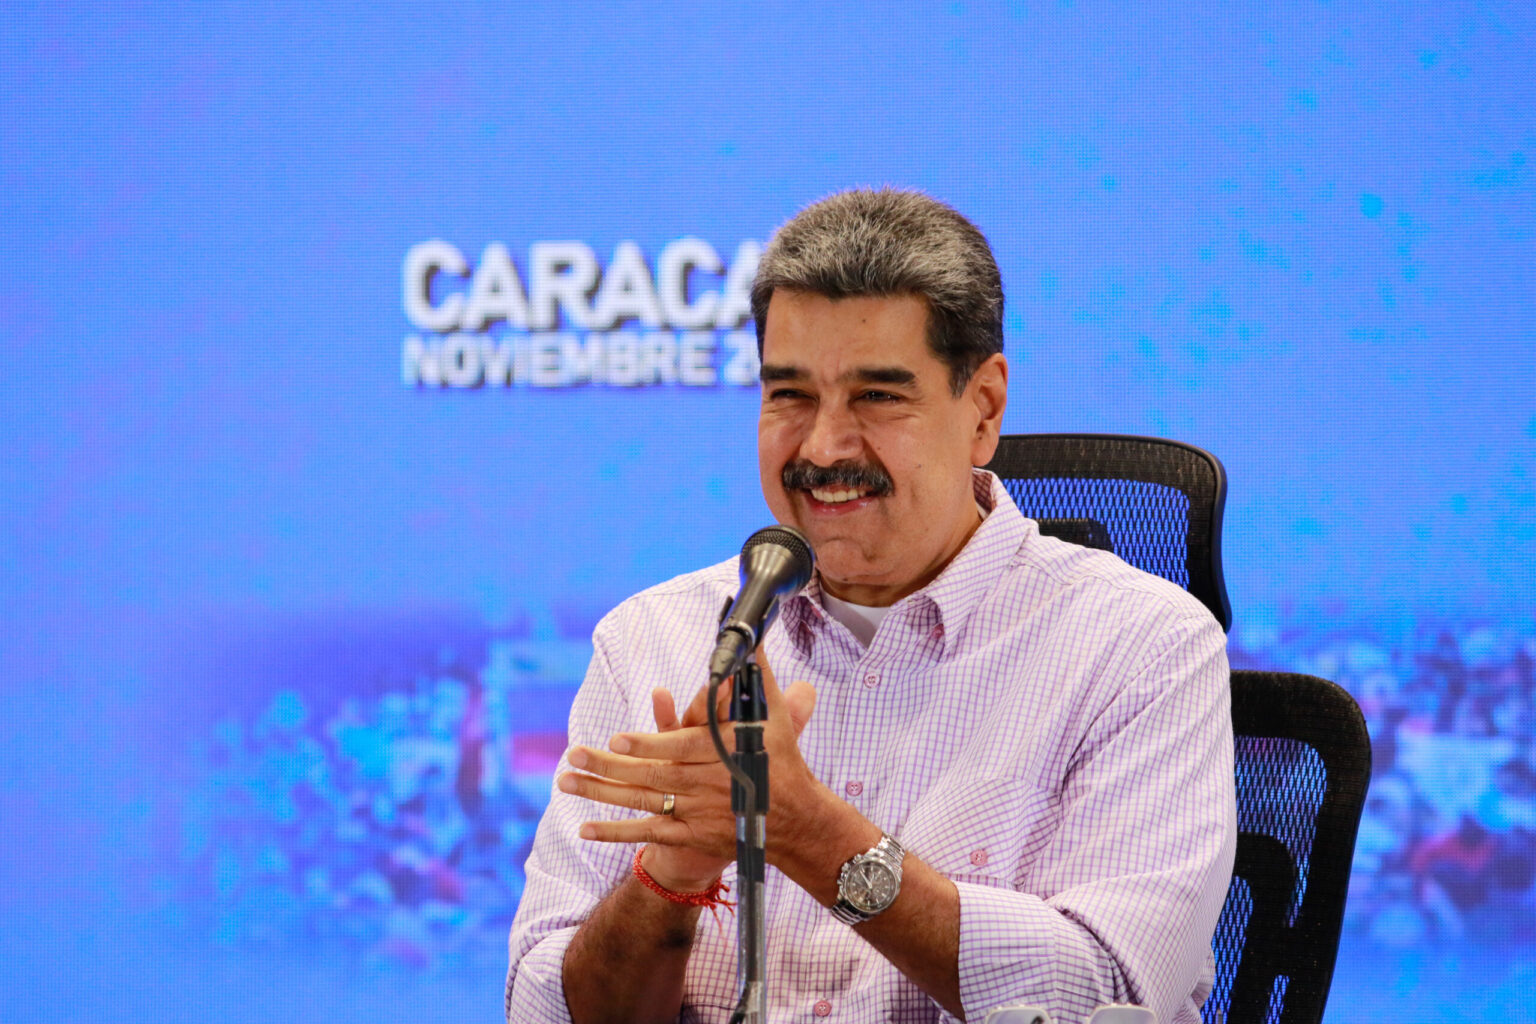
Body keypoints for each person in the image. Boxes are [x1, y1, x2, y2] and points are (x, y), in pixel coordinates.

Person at [506, 188, 1236, 1023]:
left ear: (983, 409)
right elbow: (541, 1009)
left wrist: (809, 833)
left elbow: (1107, 992)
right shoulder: (656, 640)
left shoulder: (1143, 647)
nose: (823, 447)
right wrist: (668, 878)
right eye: (790, 395)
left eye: (878, 396)